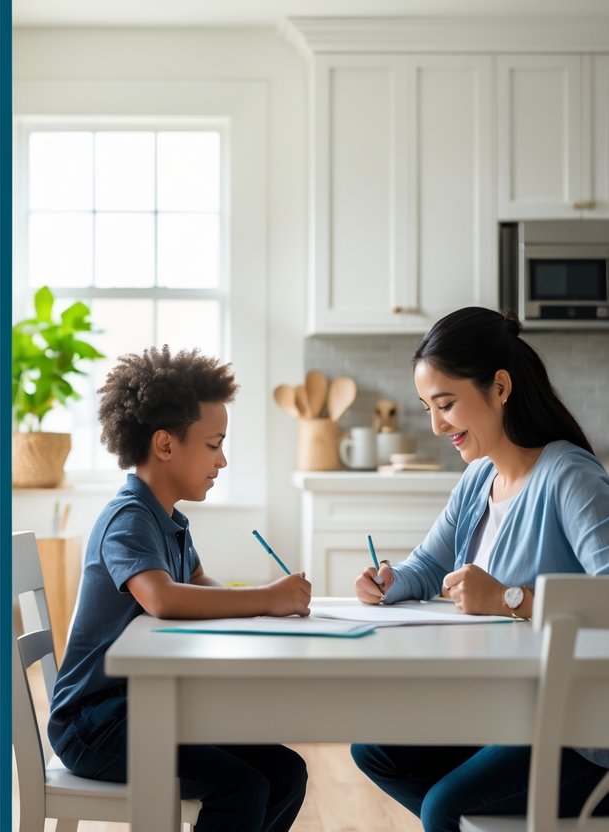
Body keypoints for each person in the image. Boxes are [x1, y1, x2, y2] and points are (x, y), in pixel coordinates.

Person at [350, 307, 609, 831]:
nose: (436, 425)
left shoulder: (569, 477)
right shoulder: (478, 479)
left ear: (500, 387)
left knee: (444, 807)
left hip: (580, 732)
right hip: (507, 712)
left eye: (446, 404)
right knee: (374, 751)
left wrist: (508, 600)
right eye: (427, 407)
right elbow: (428, 565)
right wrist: (390, 581)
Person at [47, 346, 312, 832]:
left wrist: (268, 601)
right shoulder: (127, 517)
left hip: (143, 707)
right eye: (214, 444)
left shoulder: (168, 519)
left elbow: (200, 584)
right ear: (165, 445)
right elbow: (164, 598)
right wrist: (267, 598)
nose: (224, 459)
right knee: (243, 786)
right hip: (97, 725)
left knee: (286, 772)